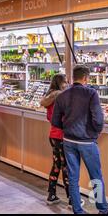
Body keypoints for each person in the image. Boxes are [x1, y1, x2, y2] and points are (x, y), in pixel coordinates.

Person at [51, 65, 108, 215]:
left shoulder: (62, 95)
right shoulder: (91, 94)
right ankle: (103, 209)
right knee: (96, 176)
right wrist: (94, 133)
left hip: (69, 141)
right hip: (87, 141)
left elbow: (55, 121)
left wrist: (67, 128)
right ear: (85, 78)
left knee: (73, 177)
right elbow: (98, 118)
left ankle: (78, 210)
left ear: (73, 77)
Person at [40, 74, 70, 206]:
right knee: (67, 167)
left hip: (53, 135)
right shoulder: (62, 97)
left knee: (57, 165)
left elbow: (49, 117)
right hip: (63, 136)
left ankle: (51, 194)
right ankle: (72, 199)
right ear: (60, 83)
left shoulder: (49, 97)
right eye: (65, 82)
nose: (67, 84)